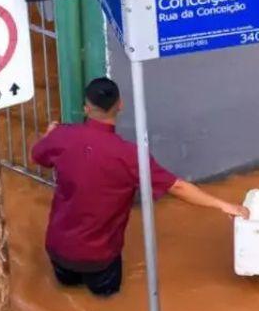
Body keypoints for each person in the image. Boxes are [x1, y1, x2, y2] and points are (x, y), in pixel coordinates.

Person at [31, 77, 248, 297]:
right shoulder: (130, 156)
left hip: (58, 250)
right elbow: (177, 187)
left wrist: (49, 135)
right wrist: (223, 205)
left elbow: (38, 156)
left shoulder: (61, 136)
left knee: (66, 297)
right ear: (120, 105)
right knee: (106, 304)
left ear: (86, 108)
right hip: (100, 259)